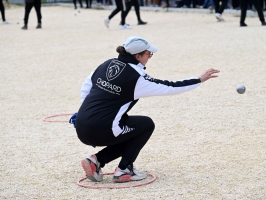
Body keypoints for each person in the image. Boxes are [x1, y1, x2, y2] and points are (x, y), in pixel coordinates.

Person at [70, 36, 220, 183]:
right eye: (148, 53)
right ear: (137, 56)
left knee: (128, 126)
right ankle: (124, 170)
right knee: (146, 125)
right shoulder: (136, 77)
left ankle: (95, 161)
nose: (150, 56)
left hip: (81, 125)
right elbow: (170, 87)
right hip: (103, 130)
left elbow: (86, 87)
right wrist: (199, 79)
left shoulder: (106, 64)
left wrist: (85, 112)